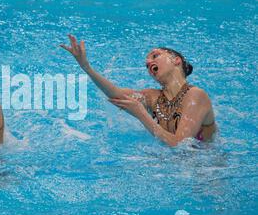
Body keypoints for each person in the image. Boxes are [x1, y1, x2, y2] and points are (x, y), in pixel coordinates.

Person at [60, 34, 216, 146]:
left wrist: (141, 114)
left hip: (206, 169)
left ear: (176, 60)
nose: (149, 63)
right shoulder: (153, 97)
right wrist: (87, 67)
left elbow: (180, 145)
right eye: (147, 64)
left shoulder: (196, 95)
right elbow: (116, 94)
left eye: (155, 56)